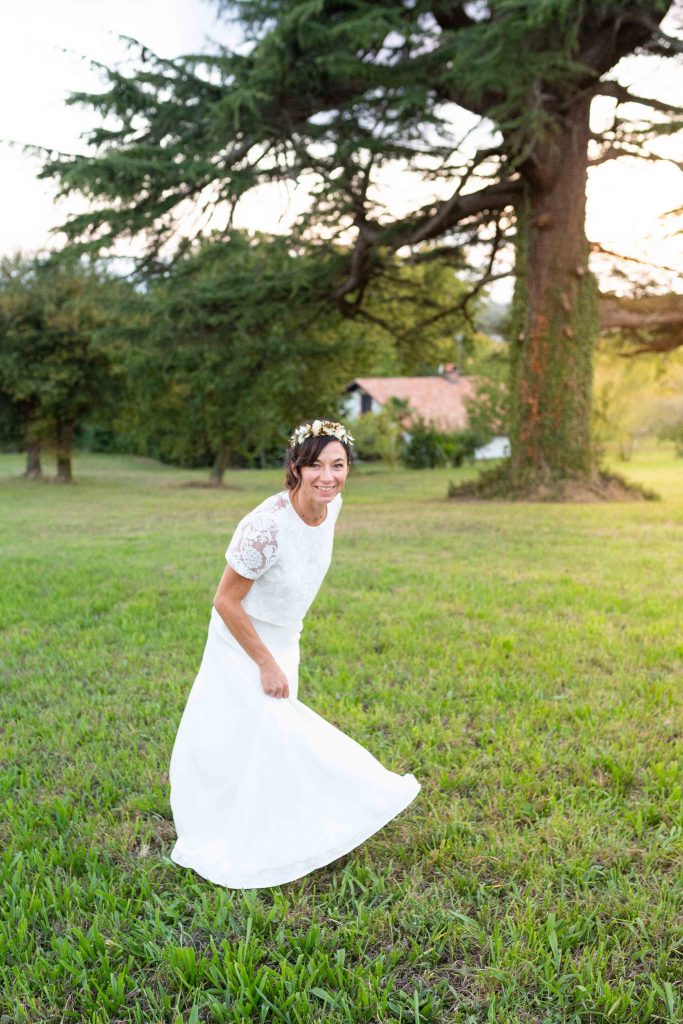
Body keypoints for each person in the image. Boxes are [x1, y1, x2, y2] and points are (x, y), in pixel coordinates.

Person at [168, 418, 421, 889]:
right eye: (316, 466)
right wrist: (265, 662)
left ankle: (278, 820)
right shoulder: (265, 528)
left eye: (338, 465)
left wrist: (281, 652)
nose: (328, 477)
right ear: (295, 468)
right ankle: (237, 828)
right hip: (243, 638)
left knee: (267, 738)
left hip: (287, 636)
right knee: (254, 730)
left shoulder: (333, 505)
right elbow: (225, 601)